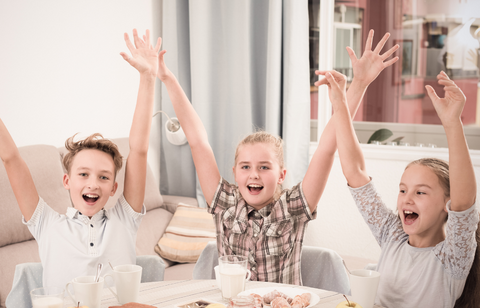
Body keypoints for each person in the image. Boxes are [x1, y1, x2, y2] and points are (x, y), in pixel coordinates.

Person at [156, 30, 398, 285]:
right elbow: (198, 141)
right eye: (245, 166)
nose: (254, 174)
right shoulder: (224, 202)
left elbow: (327, 147)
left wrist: (358, 84)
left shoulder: (293, 206)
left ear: (282, 174)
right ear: (235, 172)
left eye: (264, 167)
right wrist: (167, 78)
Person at [0, 29, 161, 289]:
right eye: (83, 174)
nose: (93, 184)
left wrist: (148, 77)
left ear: (114, 188)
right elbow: (11, 159)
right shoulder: (46, 224)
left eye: (104, 177)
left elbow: (139, 149)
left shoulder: (124, 219)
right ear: (66, 180)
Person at [333, 70, 479, 308]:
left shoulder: (452, 258)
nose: (407, 199)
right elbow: (355, 171)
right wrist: (339, 102)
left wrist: (452, 124)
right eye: (403, 190)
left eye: (421, 192)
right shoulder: (392, 235)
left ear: (447, 205)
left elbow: (464, 203)